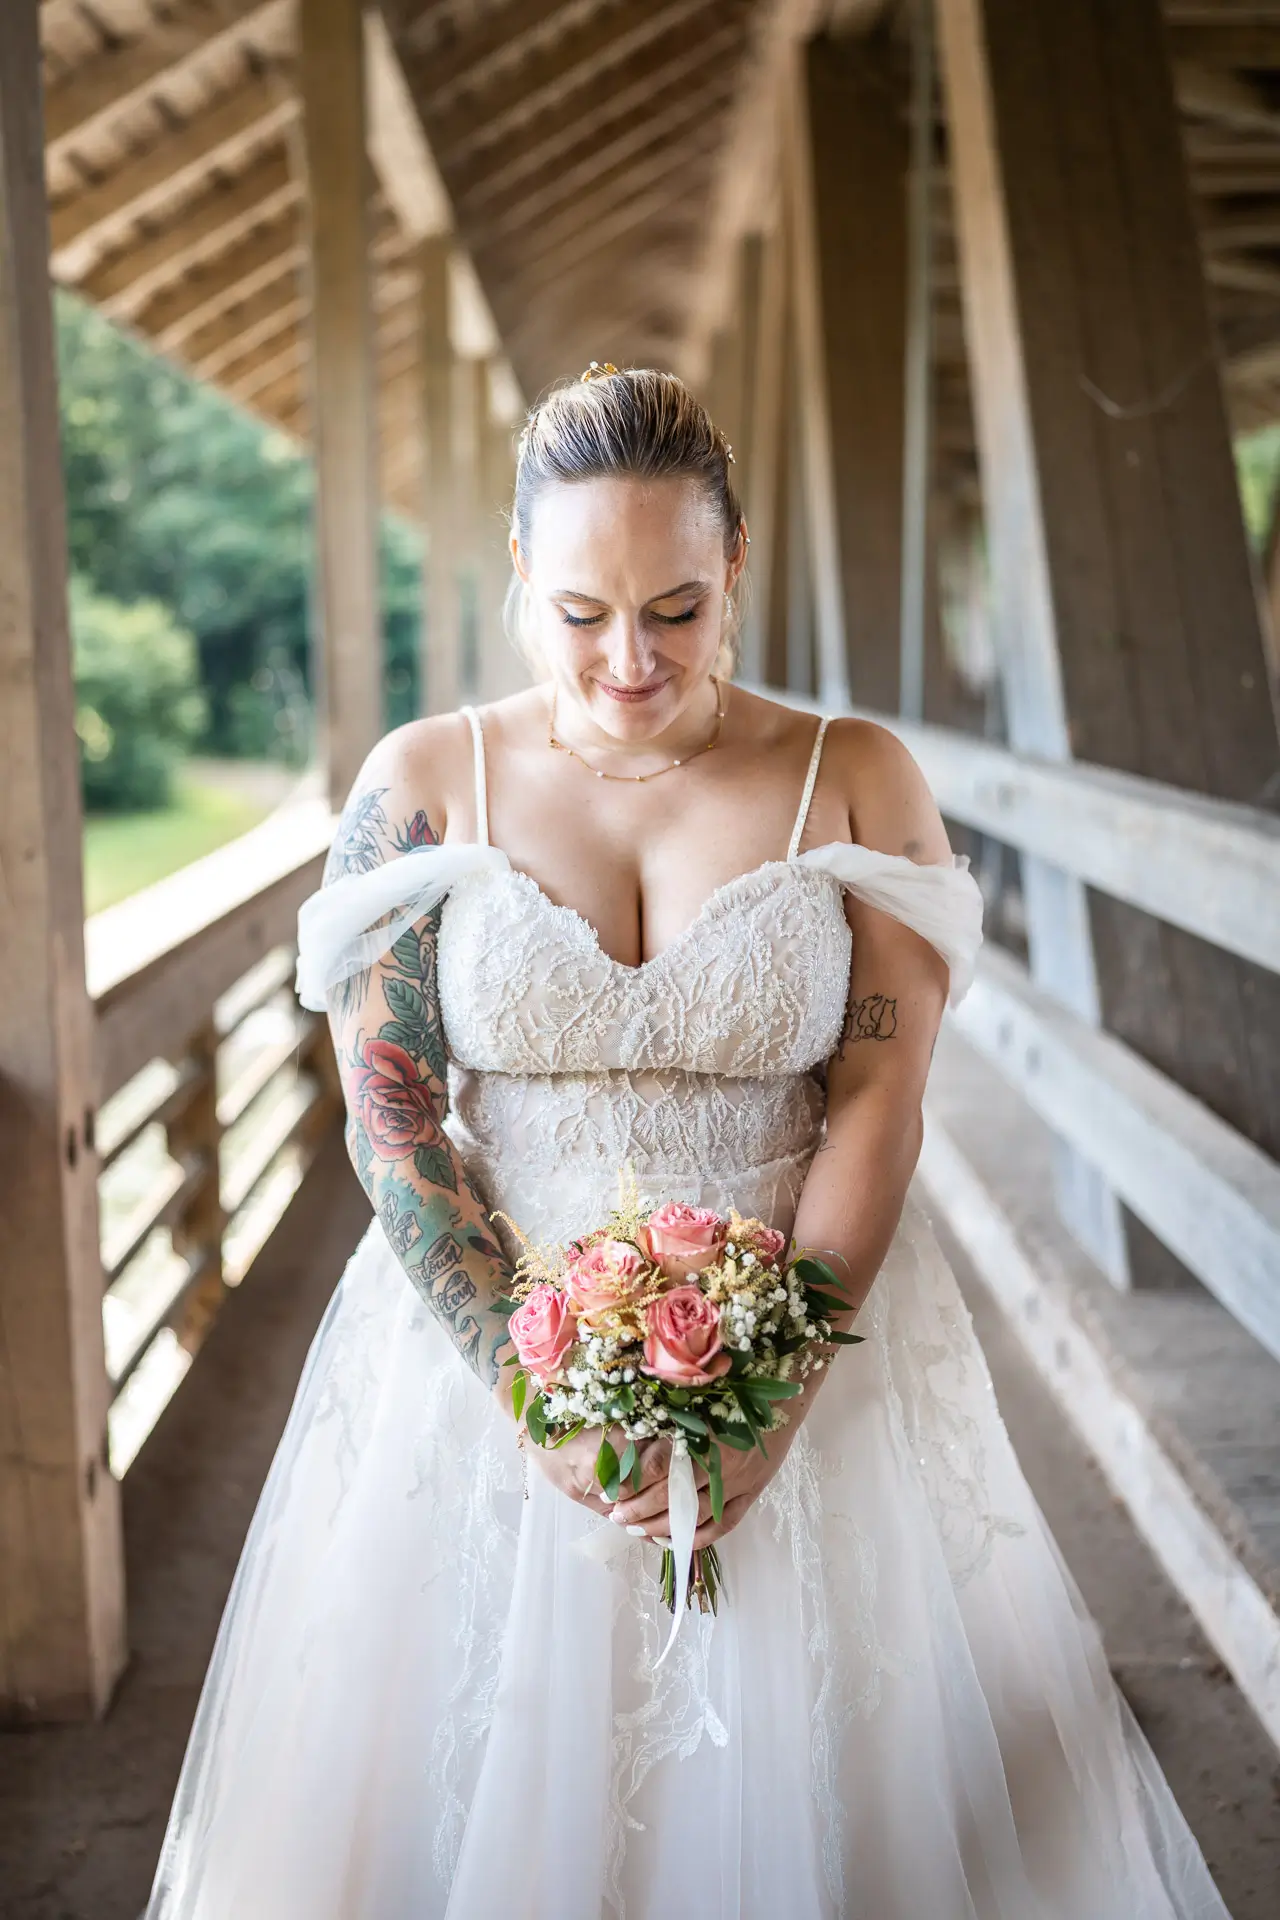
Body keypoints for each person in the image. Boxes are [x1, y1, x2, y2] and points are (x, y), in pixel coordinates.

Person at [146, 367, 1228, 1919]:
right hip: (485, 1365)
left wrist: (774, 1395)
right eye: (582, 612)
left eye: (673, 606)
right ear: (521, 576)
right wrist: (532, 1395)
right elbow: (392, 1109)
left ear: (736, 568)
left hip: (811, 1327)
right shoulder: (423, 786)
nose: (630, 660)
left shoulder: (853, 777)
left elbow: (877, 1091)